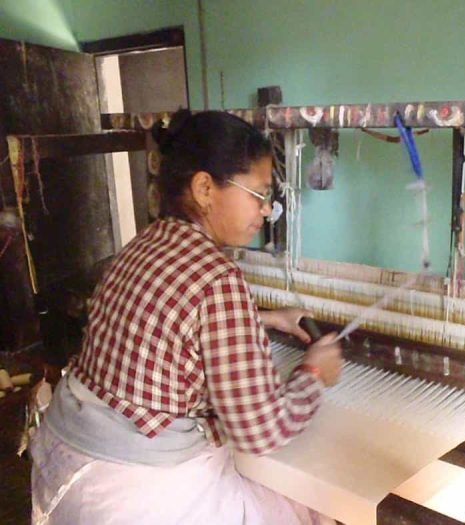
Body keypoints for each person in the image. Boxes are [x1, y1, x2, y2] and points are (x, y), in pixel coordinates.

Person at [29, 109, 343, 524]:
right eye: (258, 194)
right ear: (204, 188)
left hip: (66, 461)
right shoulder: (217, 277)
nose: (267, 211)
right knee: (309, 511)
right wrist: (314, 373)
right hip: (133, 494)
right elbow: (261, 431)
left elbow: (164, 320)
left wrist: (264, 318)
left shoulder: (146, 243)